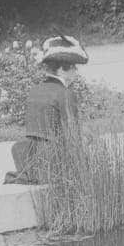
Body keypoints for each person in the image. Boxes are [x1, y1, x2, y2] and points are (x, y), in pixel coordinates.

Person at [5, 35, 88, 184]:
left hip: (29, 163)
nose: (76, 71)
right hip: (55, 164)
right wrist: (83, 170)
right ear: (62, 69)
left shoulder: (34, 90)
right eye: (73, 67)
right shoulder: (65, 94)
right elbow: (72, 137)